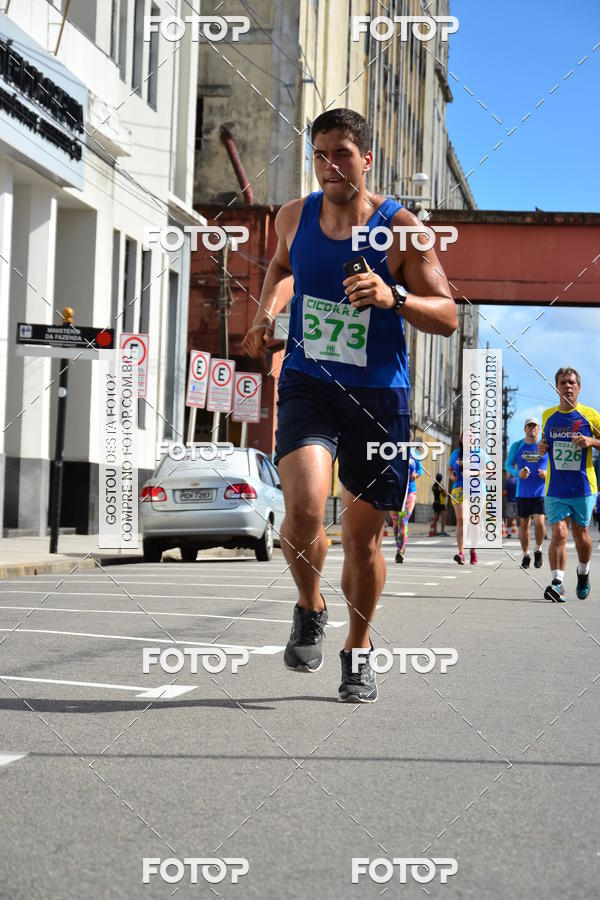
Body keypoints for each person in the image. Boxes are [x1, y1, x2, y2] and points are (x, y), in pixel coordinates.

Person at [241, 108, 457, 701]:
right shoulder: (295, 216)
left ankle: (357, 648)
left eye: (341, 154)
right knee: (306, 510)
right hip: (309, 381)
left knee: (364, 540)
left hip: (378, 396)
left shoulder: (402, 229)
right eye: (319, 155)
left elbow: (448, 315)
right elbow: (284, 269)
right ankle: (310, 607)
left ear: (366, 159)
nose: (330, 166)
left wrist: (395, 296)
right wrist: (266, 313)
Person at [538, 367, 600, 602]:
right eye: (563, 383)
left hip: (583, 486)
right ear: (557, 387)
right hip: (556, 487)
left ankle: (583, 573)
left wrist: (592, 441)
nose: (568, 386)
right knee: (559, 532)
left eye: (572, 383)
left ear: (579, 387)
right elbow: (544, 444)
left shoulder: (591, 416)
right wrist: (542, 448)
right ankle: (557, 582)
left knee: (581, 533)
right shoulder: (548, 416)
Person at [505, 418, 548, 569]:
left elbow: (555, 465)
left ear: (538, 428)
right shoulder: (517, 446)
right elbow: (507, 465)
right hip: (522, 492)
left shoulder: (545, 445)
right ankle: (526, 555)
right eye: (529, 426)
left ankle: (538, 549)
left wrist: (547, 474)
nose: (531, 428)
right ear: (524, 429)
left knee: (539, 522)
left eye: (534, 426)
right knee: (523, 525)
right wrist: (518, 473)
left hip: (540, 492)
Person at [448, 436, 477, 565]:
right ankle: (461, 552)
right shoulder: (455, 453)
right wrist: (451, 476)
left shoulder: (479, 453)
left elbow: (489, 470)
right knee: (461, 520)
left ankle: (473, 550)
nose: (468, 438)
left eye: (471, 436)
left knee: (474, 523)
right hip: (458, 488)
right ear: (461, 440)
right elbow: (449, 469)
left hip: (475, 490)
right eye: (465, 436)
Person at [391, 451, 423, 562]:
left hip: (410, 490)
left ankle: (400, 550)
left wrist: (417, 475)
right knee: (395, 523)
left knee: (403, 519)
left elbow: (420, 469)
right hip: (395, 491)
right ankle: (399, 547)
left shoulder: (415, 454)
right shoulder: (393, 450)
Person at [430, 472, 449, 536]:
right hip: (441, 504)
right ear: (441, 479)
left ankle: (435, 531)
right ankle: (442, 531)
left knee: (435, 518)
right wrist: (445, 490)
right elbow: (445, 494)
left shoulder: (433, 486)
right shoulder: (440, 486)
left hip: (435, 503)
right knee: (444, 518)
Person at [503, 473, 518, 538]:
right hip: (519, 501)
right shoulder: (519, 481)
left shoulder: (508, 482)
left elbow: (505, 493)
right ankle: (521, 532)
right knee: (520, 517)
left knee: (509, 517)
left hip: (510, 501)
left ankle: (509, 533)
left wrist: (507, 495)